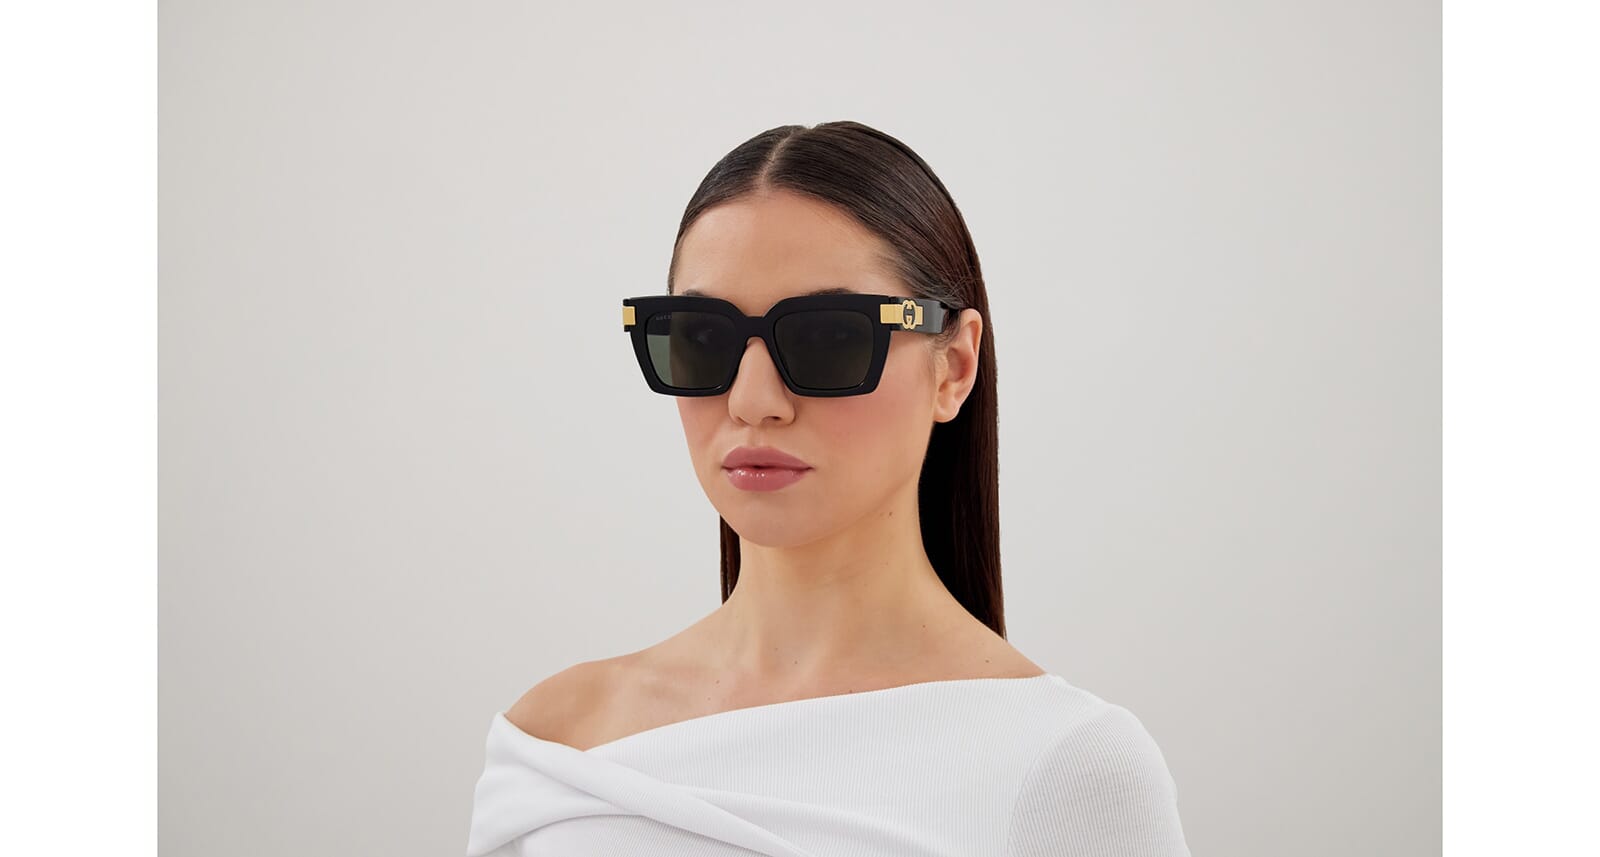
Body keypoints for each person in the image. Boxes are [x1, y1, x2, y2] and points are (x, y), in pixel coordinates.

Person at [465, 120, 1191, 856]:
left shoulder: (1072, 770)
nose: (753, 400)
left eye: (828, 337)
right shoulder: (556, 742)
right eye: (703, 337)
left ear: (954, 367)